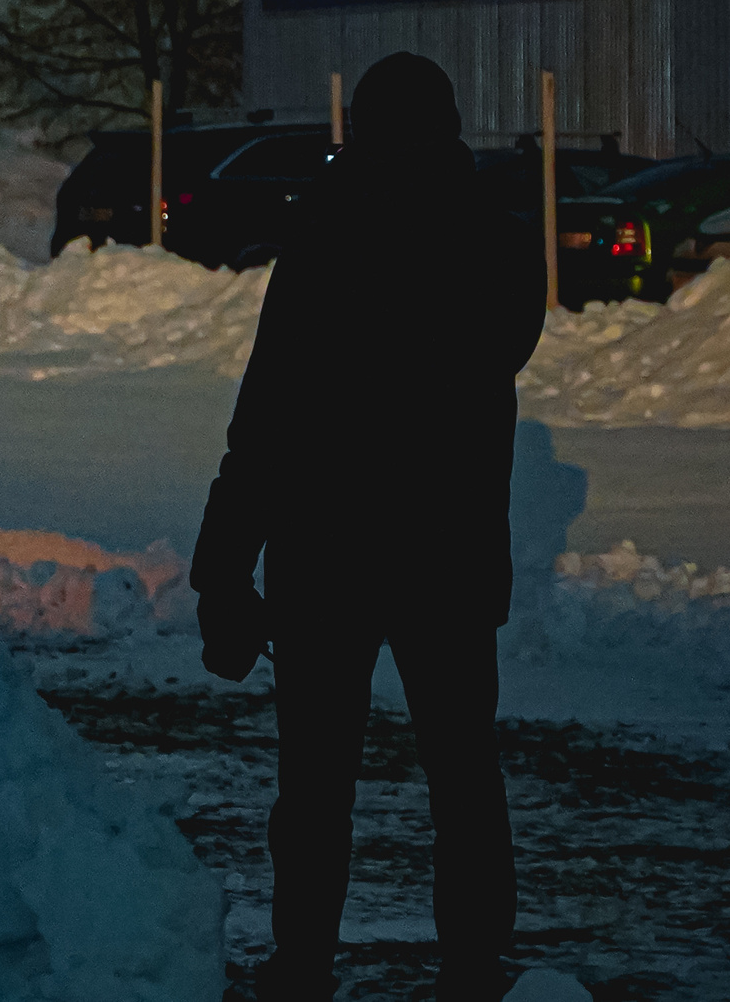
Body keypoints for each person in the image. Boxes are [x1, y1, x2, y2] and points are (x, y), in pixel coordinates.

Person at [191, 53, 546, 1001]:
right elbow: (497, 339)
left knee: (314, 788)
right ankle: (472, 969)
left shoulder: (327, 240)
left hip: (328, 557)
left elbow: (265, 415)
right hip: (449, 559)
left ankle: (304, 965)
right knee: (465, 777)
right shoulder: (500, 248)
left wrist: (222, 567)